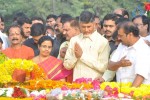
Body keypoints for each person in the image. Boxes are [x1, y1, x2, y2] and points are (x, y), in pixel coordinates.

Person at [63, 11, 110, 81]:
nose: (86, 30)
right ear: (79, 25)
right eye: (83, 27)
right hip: (76, 86)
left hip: (95, 86)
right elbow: (67, 65)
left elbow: (103, 67)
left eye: (89, 26)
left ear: (94, 24)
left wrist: (82, 56)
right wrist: (75, 57)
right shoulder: (74, 40)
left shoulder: (103, 42)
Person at [101, 21, 150, 87]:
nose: (118, 38)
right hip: (121, 90)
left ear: (130, 35)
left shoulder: (144, 49)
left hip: (137, 93)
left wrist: (130, 94)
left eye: (121, 36)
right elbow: (110, 66)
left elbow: (140, 76)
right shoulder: (122, 45)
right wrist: (119, 63)